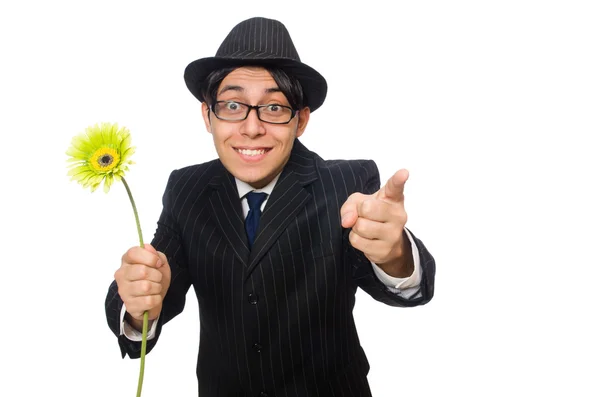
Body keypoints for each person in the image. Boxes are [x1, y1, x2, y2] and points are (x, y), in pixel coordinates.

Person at [105, 16, 436, 397]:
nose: (251, 128)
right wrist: (136, 302)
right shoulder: (187, 189)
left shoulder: (348, 184)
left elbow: (409, 287)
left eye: (274, 108)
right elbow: (150, 297)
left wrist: (394, 253)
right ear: (207, 116)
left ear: (301, 121)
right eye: (232, 105)